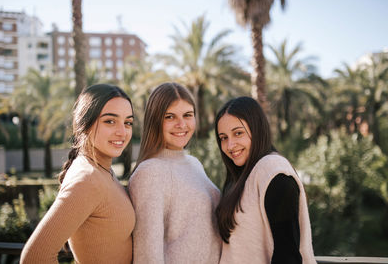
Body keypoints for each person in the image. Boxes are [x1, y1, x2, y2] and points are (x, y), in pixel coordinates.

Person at [20, 84, 135, 264]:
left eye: (128, 122)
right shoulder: (88, 179)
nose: (122, 132)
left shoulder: (101, 169)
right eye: (110, 121)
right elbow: (34, 257)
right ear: (85, 123)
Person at [215, 96, 317, 264]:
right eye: (223, 137)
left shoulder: (274, 173)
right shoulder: (242, 176)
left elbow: (287, 255)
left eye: (238, 133)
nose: (230, 145)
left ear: (257, 130)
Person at [128, 82, 221, 263]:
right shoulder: (150, 172)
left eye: (188, 115)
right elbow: (148, 255)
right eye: (170, 117)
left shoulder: (194, 163)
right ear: (155, 121)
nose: (181, 124)